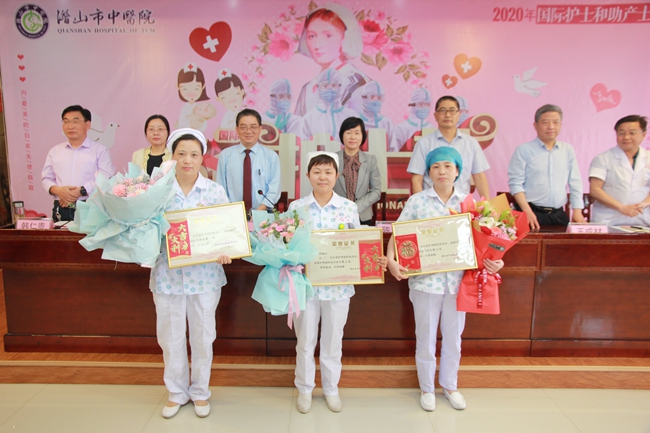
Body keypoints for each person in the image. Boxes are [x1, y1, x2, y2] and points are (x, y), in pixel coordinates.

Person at [387, 147, 503, 412]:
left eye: (448, 166)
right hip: (425, 282)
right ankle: (427, 388)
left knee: (454, 337)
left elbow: (487, 243)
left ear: (458, 171)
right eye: (435, 167)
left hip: (458, 283)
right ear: (428, 172)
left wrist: (498, 261)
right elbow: (398, 233)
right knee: (425, 337)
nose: (442, 171)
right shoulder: (417, 202)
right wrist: (391, 259)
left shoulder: (470, 203)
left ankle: (450, 386)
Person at [289, 151, 386, 414]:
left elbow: (357, 242)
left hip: (339, 287)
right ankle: (305, 389)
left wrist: (373, 257)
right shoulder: (296, 208)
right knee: (305, 341)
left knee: (333, 341)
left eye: (328, 172)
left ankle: (331, 389)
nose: (322, 177)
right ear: (308, 175)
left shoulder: (348, 207)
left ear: (337, 175)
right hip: (305, 287)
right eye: (317, 172)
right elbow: (288, 245)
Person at [151, 127, 232, 419]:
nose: (187, 160)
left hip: (205, 276)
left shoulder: (214, 191)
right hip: (167, 275)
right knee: (170, 337)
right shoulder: (157, 190)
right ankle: (176, 393)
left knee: (202, 336)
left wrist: (226, 249)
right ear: (171, 156)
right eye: (181, 154)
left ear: (202, 158)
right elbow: (146, 228)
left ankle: (200, 392)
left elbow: (227, 229)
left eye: (194, 154)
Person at [507, 104, 584, 229]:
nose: (551, 126)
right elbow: (515, 183)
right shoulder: (523, 150)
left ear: (561, 125)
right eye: (545, 122)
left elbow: (575, 182)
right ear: (535, 125)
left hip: (558, 215)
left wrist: (577, 210)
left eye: (555, 122)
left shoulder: (567, 150)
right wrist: (527, 212)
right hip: (531, 212)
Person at [41, 105, 115, 222]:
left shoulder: (100, 150)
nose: (70, 126)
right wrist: (59, 191)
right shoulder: (55, 151)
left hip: (90, 206)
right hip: (62, 206)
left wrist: (81, 191)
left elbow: (105, 178)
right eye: (66, 122)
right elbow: (46, 179)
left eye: (75, 121)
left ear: (88, 125)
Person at [294, 3, 370, 116]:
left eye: (328, 36)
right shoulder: (307, 88)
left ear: (346, 37)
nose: (317, 45)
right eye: (312, 36)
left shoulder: (359, 84)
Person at [407, 95, 490, 199]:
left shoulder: (471, 143)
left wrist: (487, 205)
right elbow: (417, 179)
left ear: (459, 114)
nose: (447, 115)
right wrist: (420, 204)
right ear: (435, 115)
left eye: (452, 110)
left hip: (461, 204)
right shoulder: (424, 143)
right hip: (431, 204)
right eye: (442, 110)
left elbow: (479, 177)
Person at [216, 109, 281, 215]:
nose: (248, 131)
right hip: (232, 214)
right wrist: (232, 212)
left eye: (253, 127)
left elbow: (274, 189)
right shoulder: (226, 156)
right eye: (243, 127)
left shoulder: (271, 156)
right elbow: (220, 189)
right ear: (237, 130)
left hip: (263, 214)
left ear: (260, 129)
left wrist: (257, 213)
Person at [589, 115, 650, 226]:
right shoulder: (603, 158)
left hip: (643, 220)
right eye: (621, 133)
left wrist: (645, 203)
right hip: (609, 221)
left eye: (632, 133)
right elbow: (595, 189)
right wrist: (622, 207)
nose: (626, 137)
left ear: (643, 135)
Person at [333, 117, 381, 225]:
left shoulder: (370, 160)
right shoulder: (332, 159)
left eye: (357, 133)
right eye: (348, 132)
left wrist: (355, 207)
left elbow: (376, 191)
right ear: (342, 135)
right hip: (336, 215)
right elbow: (326, 188)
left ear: (362, 136)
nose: (353, 137)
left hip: (362, 216)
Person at [300, 68, 358, 142]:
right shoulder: (309, 118)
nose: (329, 90)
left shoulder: (351, 116)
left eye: (334, 85)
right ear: (318, 88)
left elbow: (357, 142)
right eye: (325, 86)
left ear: (340, 87)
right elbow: (304, 144)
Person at [358, 81, 398, 152]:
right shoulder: (355, 122)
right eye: (372, 97)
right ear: (364, 97)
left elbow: (393, 150)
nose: (376, 102)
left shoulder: (386, 123)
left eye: (379, 98)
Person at [394, 87, 435, 152]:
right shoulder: (400, 129)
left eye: (427, 105)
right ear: (412, 104)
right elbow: (394, 153)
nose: (425, 108)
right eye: (420, 104)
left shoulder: (432, 128)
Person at [176, 63, 212, 129]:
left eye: (196, 88)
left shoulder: (201, 106)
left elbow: (205, 123)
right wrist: (190, 124)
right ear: (178, 87)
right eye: (185, 89)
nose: (191, 93)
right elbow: (181, 123)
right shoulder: (185, 108)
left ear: (203, 86)